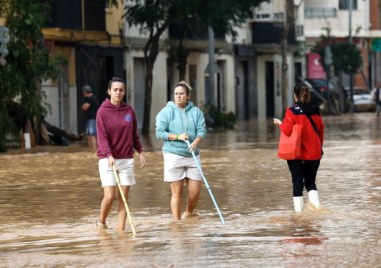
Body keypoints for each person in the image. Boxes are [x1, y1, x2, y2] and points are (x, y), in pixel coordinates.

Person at [96, 77, 145, 231]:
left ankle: (121, 232)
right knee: (110, 196)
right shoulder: (102, 111)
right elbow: (101, 137)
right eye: (115, 89)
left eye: (121, 90)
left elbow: (133, 134)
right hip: (107, 159)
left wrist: (140, 150)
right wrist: (109, 154)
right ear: (109, 91)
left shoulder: (129, 111)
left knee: (123, 199)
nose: (118, 92)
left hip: (126, 160)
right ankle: (101, 223)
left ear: (124, 92)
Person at [155, 81, 207, 221]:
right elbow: (160, 133)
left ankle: (189, 213)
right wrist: (178, 137)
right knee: (177, 192)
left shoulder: (196, 112)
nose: (178, 96)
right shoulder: (166, 112)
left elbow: (202, 130)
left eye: (182, 93)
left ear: (188, 96)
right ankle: (177, 223)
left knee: (195, 191)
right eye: (176, 94)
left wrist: (195, 142)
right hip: (173, 155)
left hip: (192, 155)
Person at [273, 83, 324, 212]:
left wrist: (279, 123)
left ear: (295, 96)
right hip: (314, 155)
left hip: (297, 154)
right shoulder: (316, 111)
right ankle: (317, 210)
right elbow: (320, 133)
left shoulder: (292, 111)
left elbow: (287, 130)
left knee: (297, 183)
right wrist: (318, 149)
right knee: (311, 183)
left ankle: (299, 216)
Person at [81, 85, 99, 153]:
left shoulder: (92, 98)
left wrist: (83, 106)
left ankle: (94, 151)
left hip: (93, 119)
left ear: (86, 92)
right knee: (88, 135)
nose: (83, 93)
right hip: (89, 119)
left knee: (92, 135)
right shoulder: (87, 99)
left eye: (83, 92)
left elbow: (84, 107)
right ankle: (91, 150)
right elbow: (83, 107)